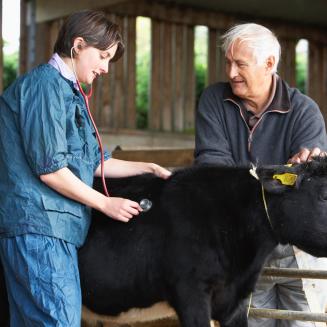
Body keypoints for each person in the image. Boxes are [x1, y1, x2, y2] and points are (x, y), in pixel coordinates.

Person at [0, 10, 171, 327]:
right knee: (58, 321)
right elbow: (50, 168)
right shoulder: (44, 87)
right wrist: (105, 203)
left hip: (53, 230)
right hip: (38, 226)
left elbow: (93, 161)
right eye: (103, 56)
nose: (106, 68)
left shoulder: (68, 93)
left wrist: (146, 166)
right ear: (78, 45)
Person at [194, 23, 327, 327]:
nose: (230, 73)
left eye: (240, 63)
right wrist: (282, 177)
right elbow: (212, 173)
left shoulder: (304, 110)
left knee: (304, 322)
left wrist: (294, 176)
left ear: (269, 64)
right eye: (227, 62)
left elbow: (312, 181)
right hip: (245, 247)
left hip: (299, 249)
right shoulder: (214, 100)